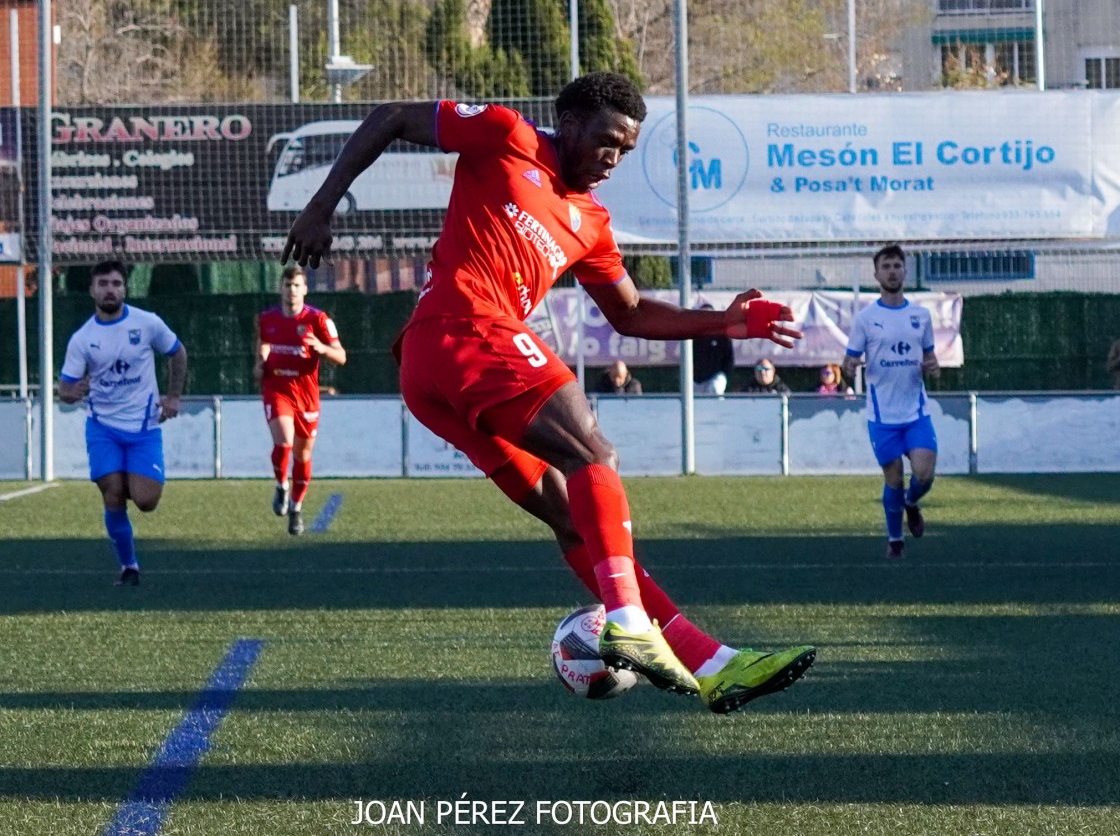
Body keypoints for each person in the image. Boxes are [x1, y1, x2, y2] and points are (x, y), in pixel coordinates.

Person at [282, 72, 815, 713]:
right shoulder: (505, 134)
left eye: (626, 149)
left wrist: (725, 323)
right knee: (592, 454)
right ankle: (626, 620)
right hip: (460, 330)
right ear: (569, 124)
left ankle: (714, 663)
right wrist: (321, 205)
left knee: (573, 517)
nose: (613, 160)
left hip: (441, 372)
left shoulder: (591, 221)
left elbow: (630, 314)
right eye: (607, 142)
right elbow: (393, 114)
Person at [57, 260, 188, 586]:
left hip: (144, 428)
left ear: (125, 288)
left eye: (116, 283)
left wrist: (173, 397)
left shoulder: (147, 324)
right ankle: (129, 566)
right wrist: (75, 392)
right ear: (92, 291)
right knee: (112, 495)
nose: (110, 289)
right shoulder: (82, 339)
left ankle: (128, 476)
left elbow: (178, 353)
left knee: (146, 501)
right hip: (103, 428)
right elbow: (64, 390)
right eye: (103, 284)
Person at [842, 244, 940, 559]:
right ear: (876, 273)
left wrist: (934, 368)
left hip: (916, 412)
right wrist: (848, 370)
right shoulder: (866, 319)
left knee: (924, 475)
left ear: (905, 271)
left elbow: (931, 360)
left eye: (897, 265)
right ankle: (895, 539)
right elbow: (848, 364)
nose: (892, 271)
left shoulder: (920, 316)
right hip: (882, 416)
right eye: (886, 266)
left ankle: (912, 503)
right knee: (894, 477)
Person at [255, 263, 347, 536]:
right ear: (280, 289)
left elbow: (341, 356)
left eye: (296, 286)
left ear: (305, 289)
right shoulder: (267, 319)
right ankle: (282, 485)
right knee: (283, 441)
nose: (291, 291)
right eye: (287, 286)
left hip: (306, 395)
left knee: (303, 455)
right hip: (277, 388)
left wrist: (321, 347)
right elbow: (262, 344)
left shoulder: (318, 320)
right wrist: (260, 362)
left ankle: (296, 508)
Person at [692, 303, 734, 395]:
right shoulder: (692, 336)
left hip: (715, 376)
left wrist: (724, 374)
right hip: (696, 378)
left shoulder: (723, 335)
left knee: (715, 388)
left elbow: (729, 357)